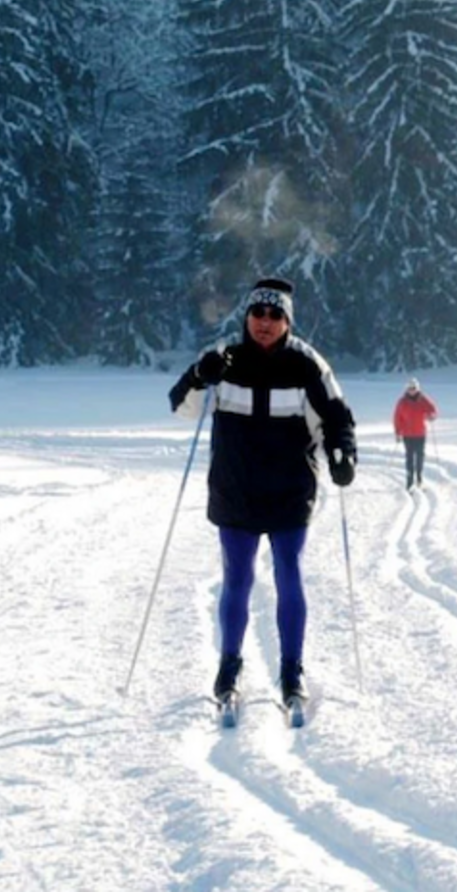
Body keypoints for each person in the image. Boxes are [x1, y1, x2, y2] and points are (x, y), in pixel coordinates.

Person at [167, 277, 358, 712]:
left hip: (290, 491)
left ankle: (292, 671)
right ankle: (228, 667)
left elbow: (337, 417)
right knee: (237, 578)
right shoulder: (222, 359)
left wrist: (343, 454)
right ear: (246, 317)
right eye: (258, 314)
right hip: (235, 491)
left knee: (288, 572)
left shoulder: (308, 365)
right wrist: (200, 376)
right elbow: (181, 406)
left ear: (287, 320)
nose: (265, 323)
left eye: (276, 315)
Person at [392, 377, 437, 490]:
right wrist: (398, 433)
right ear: (406, 389)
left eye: (414, 388)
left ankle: (419, 478)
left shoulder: (423, 399)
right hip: (407, 435)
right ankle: (409, 481)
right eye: (410, 388)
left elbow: (433, 409)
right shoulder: (402, 402)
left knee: (420, 456)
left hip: (420, 434)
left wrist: (431, 416)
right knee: (409, 457)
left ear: (418, 389)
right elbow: (397, 418)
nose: (412, 390)